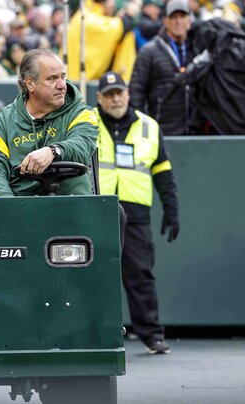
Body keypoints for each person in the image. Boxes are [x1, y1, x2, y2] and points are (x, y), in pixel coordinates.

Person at [95, 71, 179, 354]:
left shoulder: (149, 126)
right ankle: (91, 334)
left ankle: (152, 335)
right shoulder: (86, 123)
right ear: (99, 99)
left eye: (119, 92)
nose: (115, 98)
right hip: (96, 208)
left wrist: (171, 207)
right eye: (109, 94)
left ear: (128, 94)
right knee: (91, 275)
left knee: (140, 274)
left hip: (136, 211)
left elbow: (163, 170)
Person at [0, 48, 99, 196]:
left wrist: (53, 151)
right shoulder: (2, 121)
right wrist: (8, 206)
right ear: (30, 83)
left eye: (62, 77)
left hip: (72, 207)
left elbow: (81, 144)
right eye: (52, 79)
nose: (62, 85)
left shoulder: (81, 113)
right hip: (20, 208)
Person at [129, 0, 195, 135]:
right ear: (165, 21)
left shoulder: (197, 47)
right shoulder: (150, 51)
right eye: (173, 17)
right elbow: (136, 92)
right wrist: (142, 130)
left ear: (189, 20)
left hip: (195, 131)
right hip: (162, 131)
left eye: (182, 16)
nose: (178, 21)